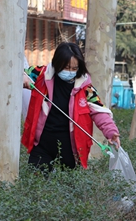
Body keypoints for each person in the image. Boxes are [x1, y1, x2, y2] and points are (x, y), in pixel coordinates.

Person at [21, 42, 121, 170]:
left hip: (70, 148)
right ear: (57, 63)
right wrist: (24, 77)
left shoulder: (86, 89)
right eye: (66, 67)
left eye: (74, 68)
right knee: (36, 183)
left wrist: (111, 132)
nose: (70, 72)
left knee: (69, 186)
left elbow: (99, 111)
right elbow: (19, 74)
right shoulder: (41, 75)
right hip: (42, 145)